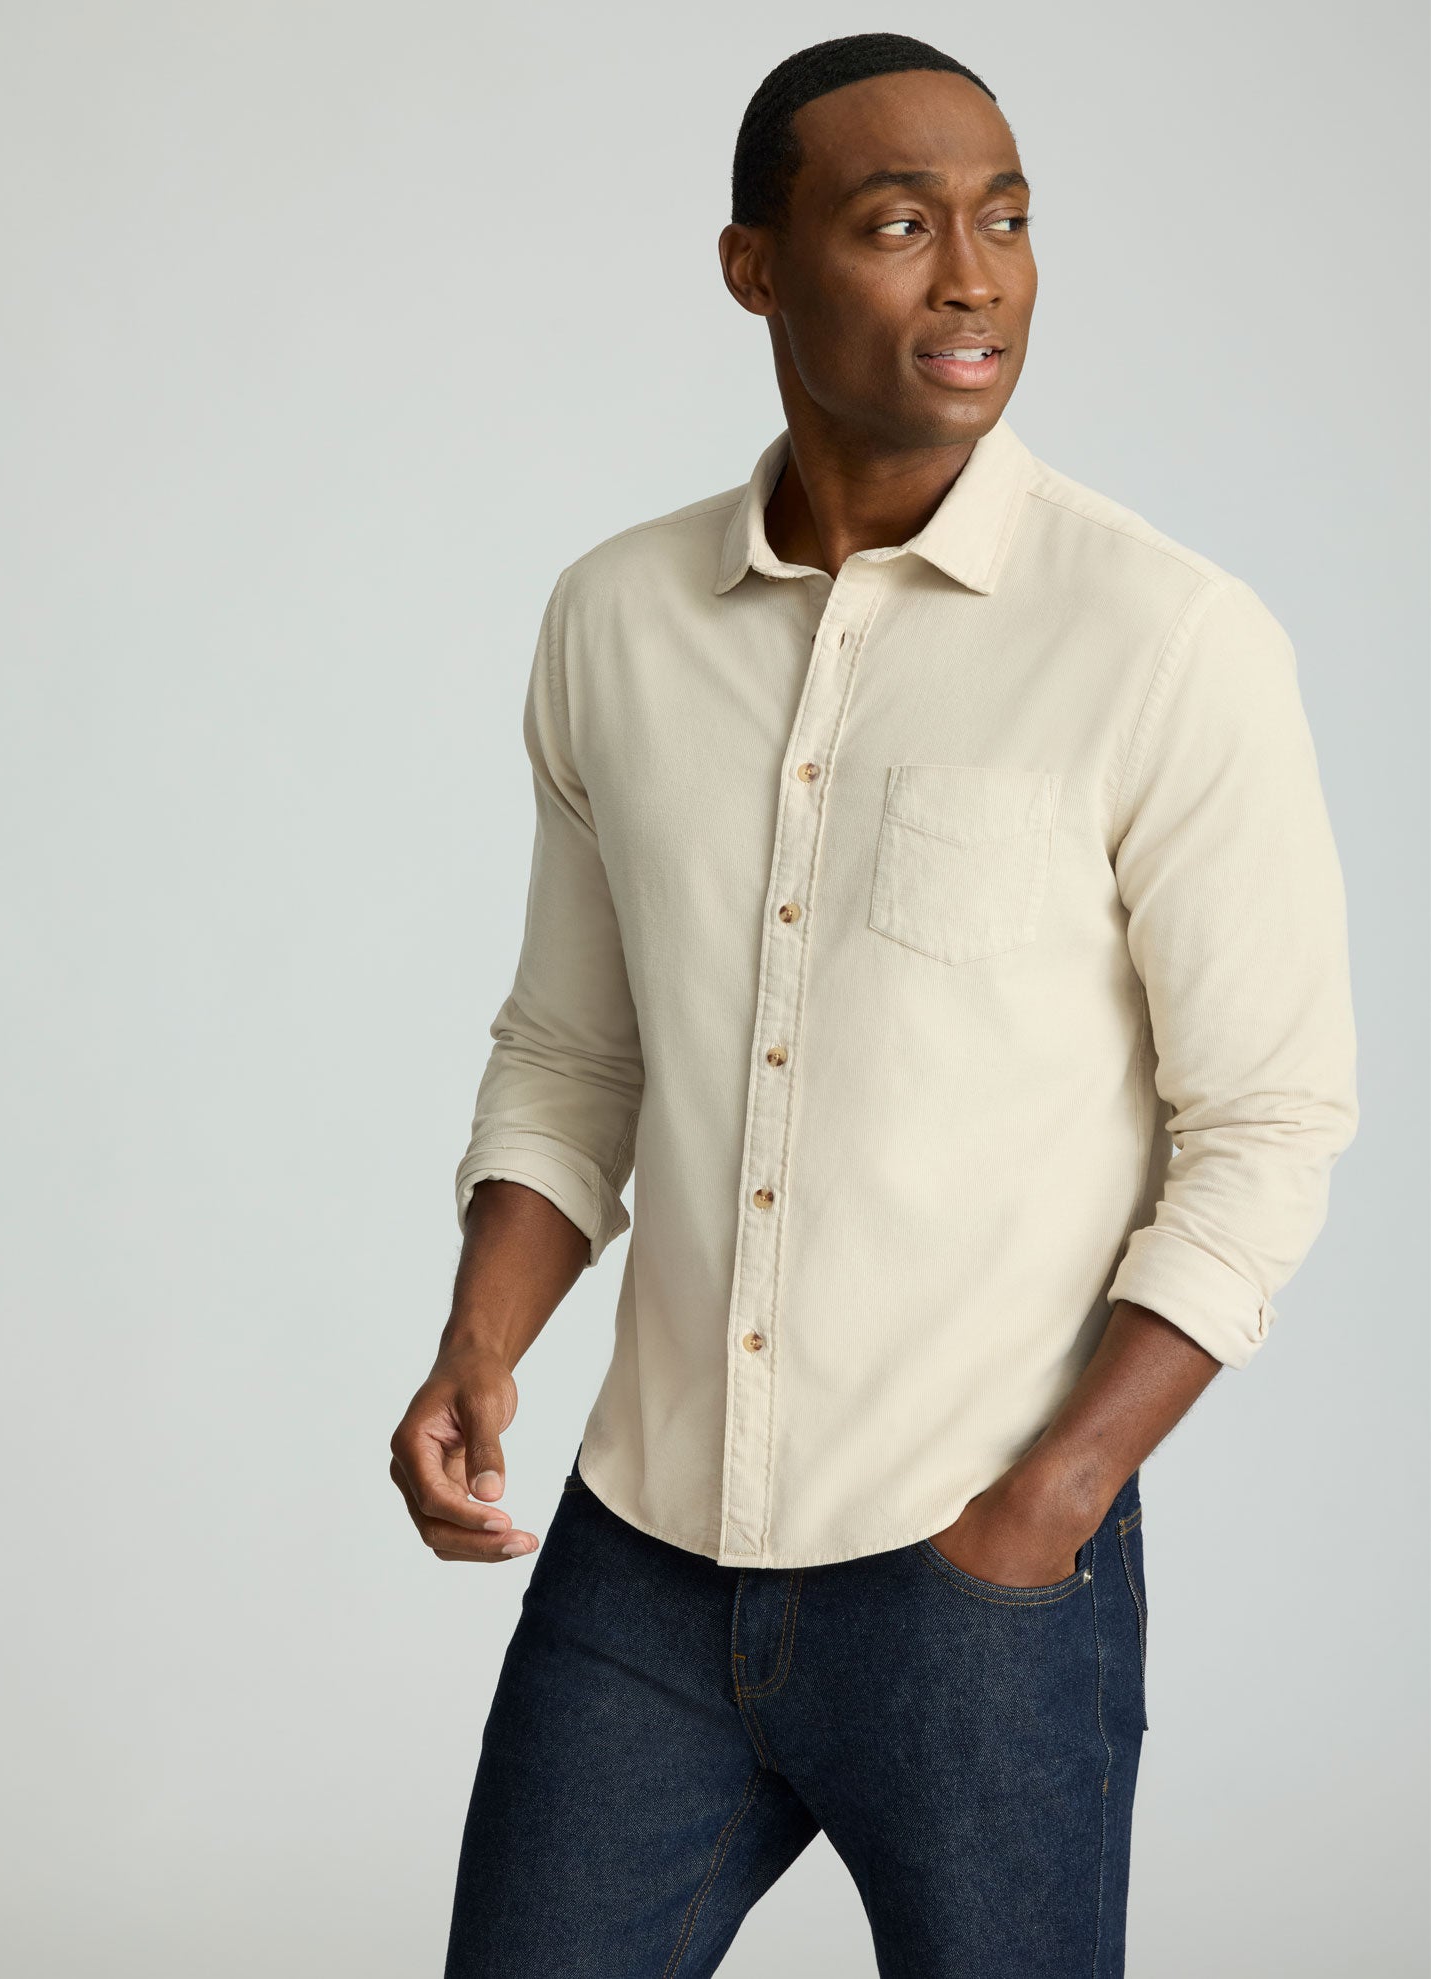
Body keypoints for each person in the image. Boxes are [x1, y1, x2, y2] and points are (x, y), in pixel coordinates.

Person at [391, 32, 1360, 1978]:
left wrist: (1050, 1503)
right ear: (754, 267)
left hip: (978, 1567)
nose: (975, 277)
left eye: (1007, 219)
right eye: (901, 224)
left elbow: (1268, 1122)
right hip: (644, 1559)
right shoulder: (615, 618)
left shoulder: (1164, 636)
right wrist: (477, 1343)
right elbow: (576, 1049)